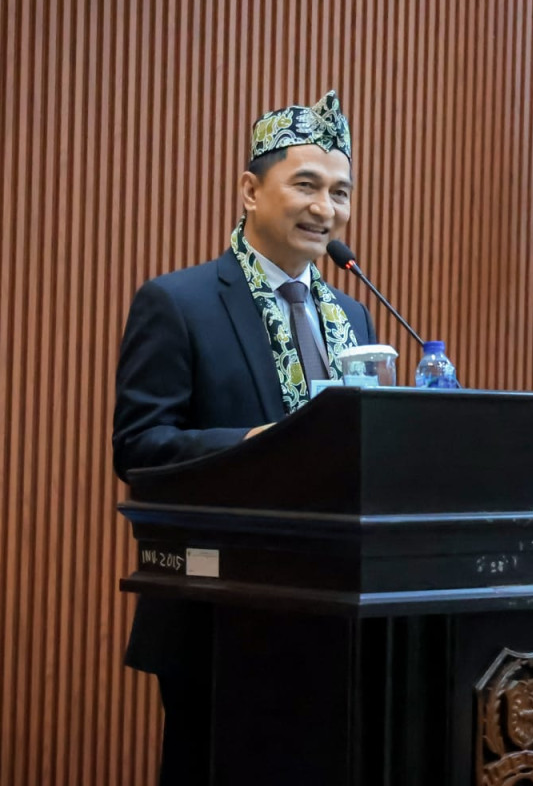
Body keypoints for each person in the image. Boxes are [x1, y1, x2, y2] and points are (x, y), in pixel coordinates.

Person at [112, 90, 377, 785]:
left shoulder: (353, 317)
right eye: (307, 185)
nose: (326, 208)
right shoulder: (180, 302)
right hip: (220, 614)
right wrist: (255, 442)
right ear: (250, 191)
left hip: (339, 614)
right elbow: (139, 447)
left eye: (341, 192)